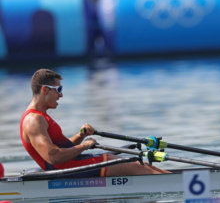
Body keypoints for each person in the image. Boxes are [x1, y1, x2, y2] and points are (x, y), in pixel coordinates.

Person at [20, 69, 169, 177]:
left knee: (141, 166)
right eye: (58, 89)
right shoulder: (34, 120)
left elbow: (61, 148)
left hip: (72, 163)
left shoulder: (40, 117)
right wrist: (84, 146)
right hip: (65, 169)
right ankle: (181, 185)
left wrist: (80, 136)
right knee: (143, 171)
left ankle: (172, 183)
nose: (61, 94)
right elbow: (53, 156)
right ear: (45, 90)